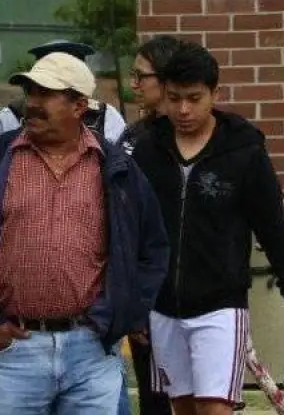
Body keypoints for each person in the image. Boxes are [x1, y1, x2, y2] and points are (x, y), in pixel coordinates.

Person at [0, 51, 170, 415]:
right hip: (14, 349)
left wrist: (122, 315)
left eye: (46, 95)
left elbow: (152, 249)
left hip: (91, 350)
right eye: (30, 94)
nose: (32, 104)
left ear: (79, 106)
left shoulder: (116, 167)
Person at [131, 42, 284, 415]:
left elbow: (271, 224)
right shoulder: (147, 150)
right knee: (183, 406)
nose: (184, 109)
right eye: (174, 99)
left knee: (215, 406)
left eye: (194, 98)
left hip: (220, 304)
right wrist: (136, 301)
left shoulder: (244, 150)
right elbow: (134, 229)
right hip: (162, 305)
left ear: (214, 94)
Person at [118, 34, 184, 415]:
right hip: (147, 290)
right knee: (154, 398)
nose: (134, 84)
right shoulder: (133, 137)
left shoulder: (197, 139)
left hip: (196, 293)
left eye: (141, 75)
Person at [0, 40, 127, 145]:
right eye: (31, 90)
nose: (32, 103)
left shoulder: (106, 117)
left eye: (46, 92)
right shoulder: (9, 117)